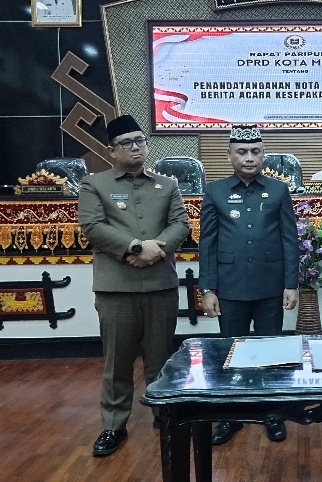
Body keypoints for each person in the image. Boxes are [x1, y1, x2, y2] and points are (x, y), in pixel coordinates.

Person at [78, 114, 190, 457]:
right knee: (117, 363)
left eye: (140, 140)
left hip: (160, 286)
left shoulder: (166, 185)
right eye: (126, 143)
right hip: (116, 289)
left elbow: (180, 224)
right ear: (112, 150)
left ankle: (163, 416)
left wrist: (156, 250)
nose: (136, 147)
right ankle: (114, 425)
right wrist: (137, 248)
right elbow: (93, 226)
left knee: (160, 359)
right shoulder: (94, 184)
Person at [198, 124, 299, 445]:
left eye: (255, 151)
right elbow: (207, 244)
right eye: (241, 152)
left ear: (263, 154)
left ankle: (272, 413)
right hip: (230, 288)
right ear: (229, 155)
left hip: (270, 287)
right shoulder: (215, 192)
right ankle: (230, 416)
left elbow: (289, 239)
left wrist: (291, 284)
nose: (249, 157)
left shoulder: (278, 190)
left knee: (271, 351)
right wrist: (207, 289)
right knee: (231, 352)